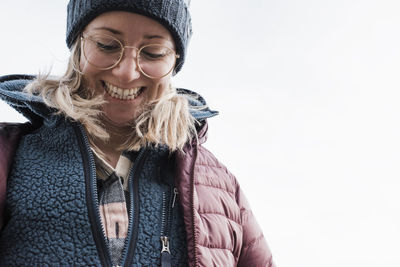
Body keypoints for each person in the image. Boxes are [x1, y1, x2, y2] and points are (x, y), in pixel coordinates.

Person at [0, 0, 275, 266]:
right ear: (78, 46)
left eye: (153, 52)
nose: (127, 72)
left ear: (175, 59)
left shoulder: (221, 188)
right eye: (107, 45)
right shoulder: (8, 158)